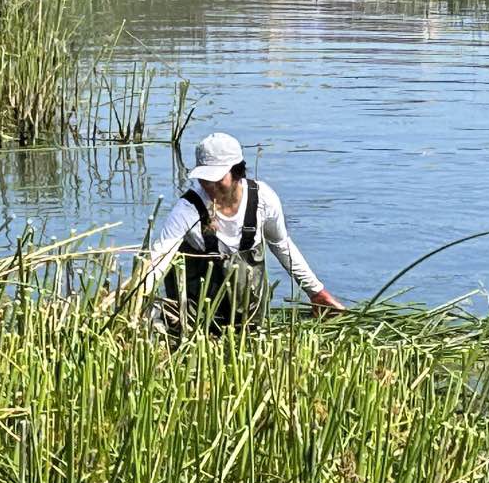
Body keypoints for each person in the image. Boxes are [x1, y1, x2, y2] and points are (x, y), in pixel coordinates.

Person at [132, 131, 344, 334]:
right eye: (204, 179)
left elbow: (281, 245)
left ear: (237, 172)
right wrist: (137, 297)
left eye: (217, 179)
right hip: (196, 318)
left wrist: (316, 292)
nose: (210, 186)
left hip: (249, 316)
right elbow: (160, 257)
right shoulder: (187, 209)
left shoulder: (263, 200)